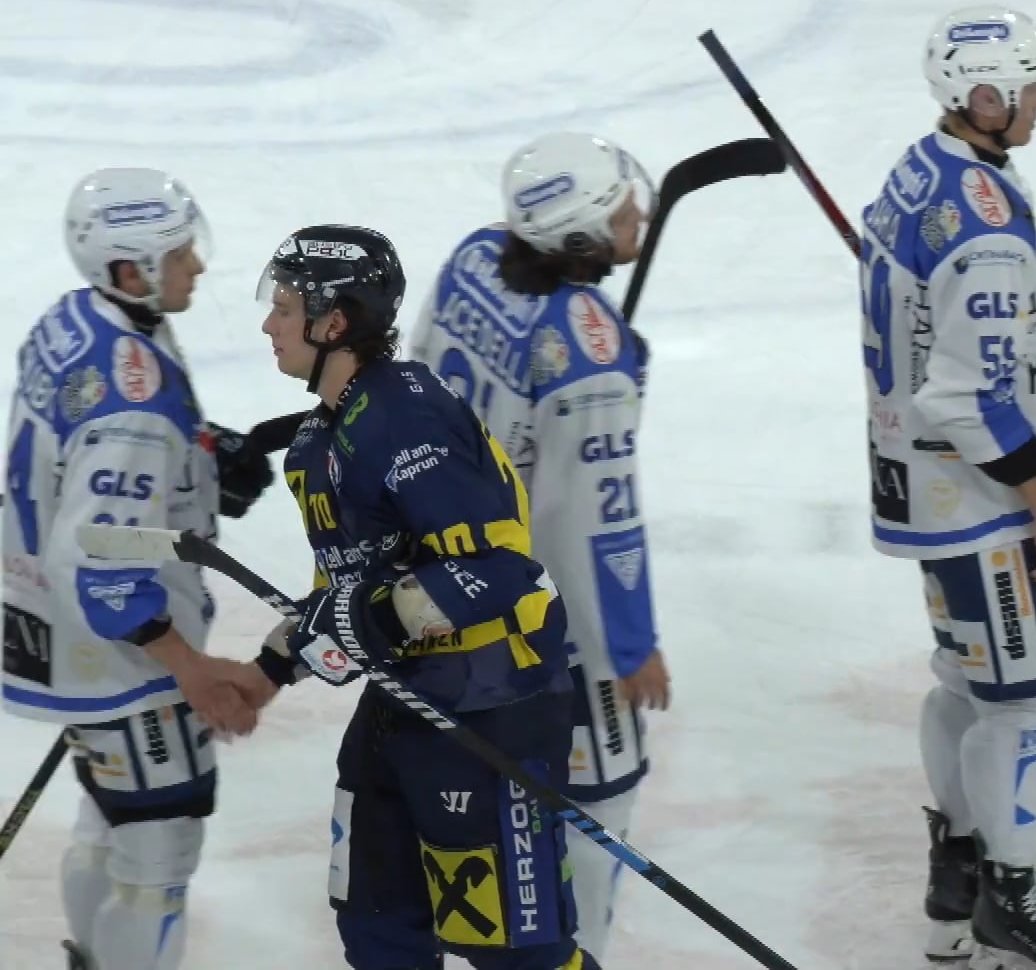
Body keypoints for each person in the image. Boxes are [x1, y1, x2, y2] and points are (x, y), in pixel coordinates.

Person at [248, 224, 598, 970]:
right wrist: (271, 668)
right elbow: (343, 592)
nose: (269, 323)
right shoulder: (318, 442)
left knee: (515, 953)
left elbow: (499, 567)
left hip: (493, 703)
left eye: (284, 306)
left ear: (332, 321)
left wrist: (379, 615)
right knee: (378, 933)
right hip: (403, 705)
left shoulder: (405, 415)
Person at [857, 5, 1036, 970]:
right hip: (982, 507)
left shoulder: (921, 171)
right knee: (1027, 700)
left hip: (919, 493)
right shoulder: (985, 226)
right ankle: (1012, 897)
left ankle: (958, 878)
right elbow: (964, 395)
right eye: (1030, 86)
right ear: (984, 97)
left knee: (965, 679)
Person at [1, 168, 275, 970]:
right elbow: (101, 566)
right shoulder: (135, 402)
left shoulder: (79, 318)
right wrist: (187, 664)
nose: (195, 265)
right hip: (112, 651)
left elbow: (76, 448)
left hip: (36, 616)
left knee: (109, 815)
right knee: (158, 854)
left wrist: (193, 454)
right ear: (128, 271)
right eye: (178, 253)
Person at [409, 131, 665, 962]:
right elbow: (595, 523)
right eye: (622, 206)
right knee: (598, 803)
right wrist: (629, 647)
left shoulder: (473, 259)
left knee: (483, 808)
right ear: (583, 235)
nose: (639, 212)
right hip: (541, 623)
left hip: (440, 591)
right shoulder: (586, 352)